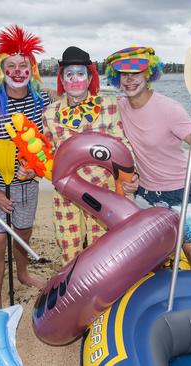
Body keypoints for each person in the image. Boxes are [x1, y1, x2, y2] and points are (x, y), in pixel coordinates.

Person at [105, 46, 191, 273]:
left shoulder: (170, 109)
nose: (129, 80)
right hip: (144, 194)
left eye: (135, 74)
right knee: (152, 255)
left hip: (179, 193)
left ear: (148, 75)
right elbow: (86, 101)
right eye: (124, 75)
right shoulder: (118, 106)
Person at [0, 25, 49, 309]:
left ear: (32, 69)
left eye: (24, 65)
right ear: (2, 69)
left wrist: (36, 170)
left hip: (28, 185)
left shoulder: (41, 102)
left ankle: (22, 273)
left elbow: (46, 144)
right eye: (12, 65)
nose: (18, 71)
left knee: (23, 234)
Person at [43, 46, 133, 266]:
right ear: (62, 80)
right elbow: (48, 154)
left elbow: (123, 146)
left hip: (103, 190)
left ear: (90, 76)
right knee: (69, 253)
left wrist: (131, 177)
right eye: (69, 74)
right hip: (66, 193)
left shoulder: (109, 107)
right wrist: (30, 167)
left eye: (80, 73)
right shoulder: (50, 114)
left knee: (102, 254)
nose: (75, 79)